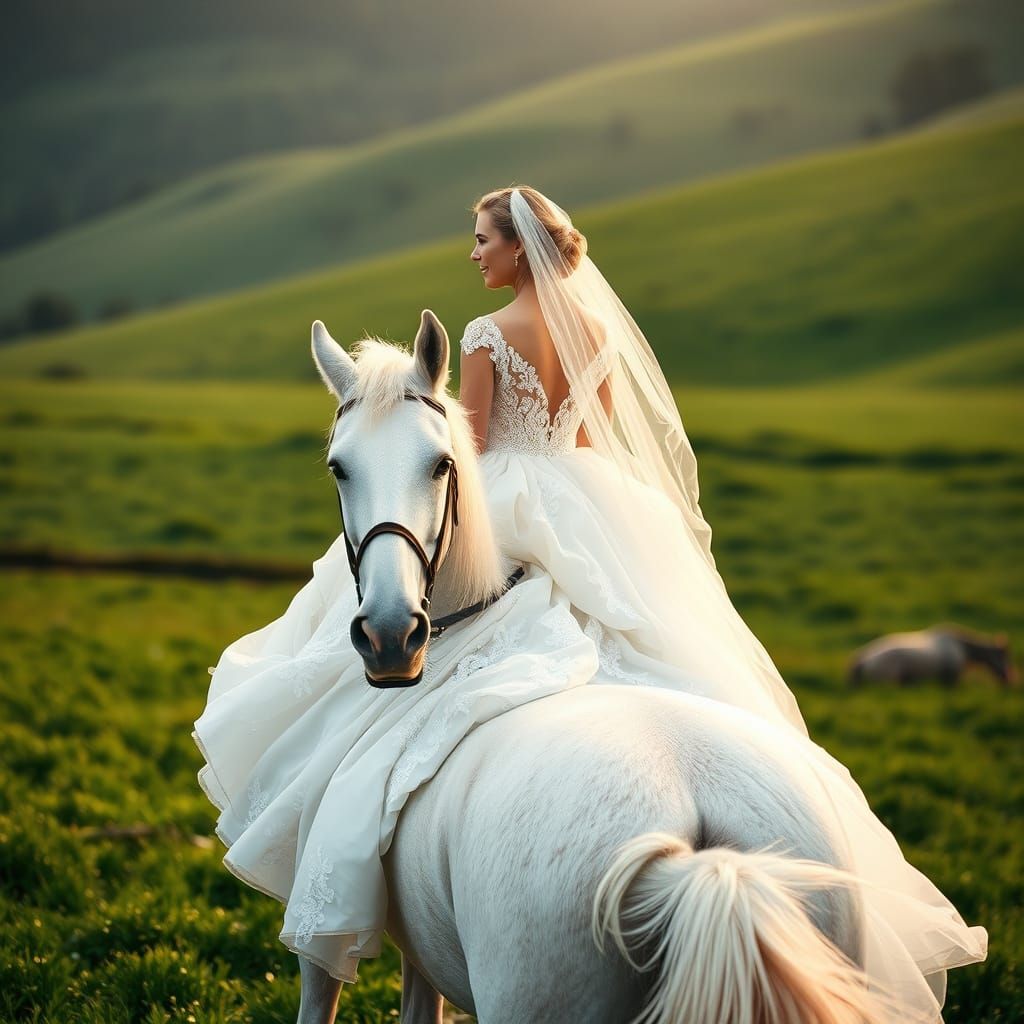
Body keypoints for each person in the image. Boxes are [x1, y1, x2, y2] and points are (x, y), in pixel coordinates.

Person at [192, 184, 986, 1012]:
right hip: (591, 502)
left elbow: (464, 446)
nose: (474, 255)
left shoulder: (484, 334)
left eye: (482, 240)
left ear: (516, 248)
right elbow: (590, 437)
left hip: (501, 499)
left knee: (373, 614)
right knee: (616, 634)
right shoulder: (597, 331)